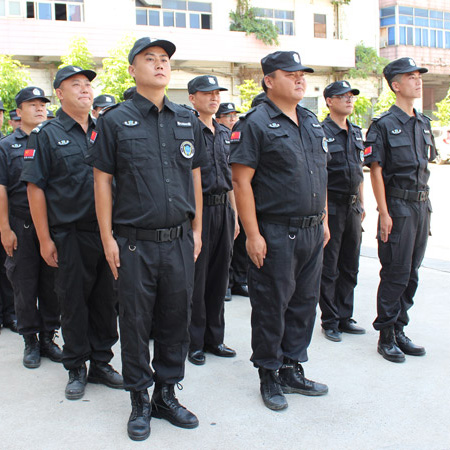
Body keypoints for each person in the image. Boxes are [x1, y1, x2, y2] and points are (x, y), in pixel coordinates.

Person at [91, 37, 206, 441]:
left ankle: (166, 394)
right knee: (137, 323)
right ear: (132, 70)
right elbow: (102, 181)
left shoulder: (186, 118)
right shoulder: (114, 121)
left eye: (164, 60)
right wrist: (107, 238)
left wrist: (197, 231)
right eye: (149, 59)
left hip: (178, 241)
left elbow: (195, 176)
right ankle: (139, 399)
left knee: (177, 320)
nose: (159, 65)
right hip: (134, 243)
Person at [230, 51, 329, 411]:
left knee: (304, 303)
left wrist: (325, 220)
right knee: (272, 304)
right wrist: (252, 235)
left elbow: (321, 175)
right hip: (275, 231)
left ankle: (292, 366)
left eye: (302, 74)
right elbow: (241, 183)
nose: (300, 79)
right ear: (269, 81)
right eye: (291, 74)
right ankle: (268, 373)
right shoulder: (255, 123)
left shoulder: (311, 121)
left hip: (312, 230)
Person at [20, 66, 122, 398]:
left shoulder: (105, 130)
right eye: (75, 85)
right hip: (70, 234)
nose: (84, 90)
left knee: (106, 301)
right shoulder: (45, 134)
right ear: (60, 94)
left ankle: (102, 363)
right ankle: (77, 366)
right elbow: (35, 188)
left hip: (105, 233)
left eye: (87, 85)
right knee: (74, 302)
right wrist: (45, 238)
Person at [364, 57, 434, 363]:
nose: (417, 80)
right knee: (395, 271)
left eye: (418, 76)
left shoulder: (423, 123)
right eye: (410, 77)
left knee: (413, 272)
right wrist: (385, 213)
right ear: (395, 85)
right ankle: (386, 334)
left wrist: (426, 212)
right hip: (398, 206)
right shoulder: (384, 125)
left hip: (421, 206)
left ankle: (401, 328)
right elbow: (376, 170)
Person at [0, 87, 61, 367]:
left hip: (51, 225)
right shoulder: (6, 146)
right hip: (21, 225)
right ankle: (31, 341)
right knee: (24, 285)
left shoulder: (52, 140)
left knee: (52, 284)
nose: (39, 109)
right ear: (19, 111)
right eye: (32, 104)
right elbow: (1, 190)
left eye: (42, 104)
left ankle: (49, 336)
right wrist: (4, 228)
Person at [187, 76, 238, 366]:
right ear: (193, 98)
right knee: (198, 278)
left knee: (220, 277)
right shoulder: (188, 130)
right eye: (207, 93)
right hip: (200, 210)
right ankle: (194, 342)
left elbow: (230, 179)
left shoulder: (223, 131)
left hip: (224, 210)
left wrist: (236, 217)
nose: (213, 98)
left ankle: (214, 338)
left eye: (217, 93)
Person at [319, 81, 366, 342]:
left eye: (351, 96)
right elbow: (321, 176)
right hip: (333, 206)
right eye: (342, 96)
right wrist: (324, 215)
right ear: (329, 101)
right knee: (330, 265)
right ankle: (330, 319)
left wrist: (362, 203)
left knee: (350, 263)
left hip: (352, 206)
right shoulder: (321, 131)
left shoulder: (356, 132)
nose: (349, 100)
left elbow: (360, 171)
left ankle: (345, 315)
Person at [216, 102, 249, 301]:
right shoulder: (215, 135)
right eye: (228, 116)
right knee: (227, 243)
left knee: (241, 241)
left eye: (234, 115)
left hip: (240, 194)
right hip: (224, 194)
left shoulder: (237, 137)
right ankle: (226, 282)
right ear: (218, 118)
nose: (232, 119)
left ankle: (239, 280)